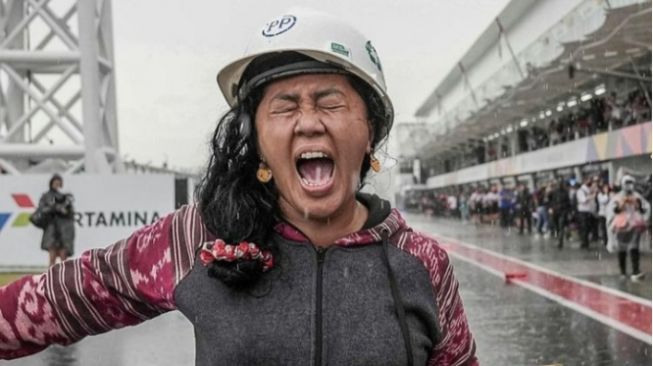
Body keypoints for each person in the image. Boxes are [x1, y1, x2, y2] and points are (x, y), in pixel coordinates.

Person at [0, 10, 478, 365]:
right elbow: (68, 296)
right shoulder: (203, 236)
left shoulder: (423, 263)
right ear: (256, 142)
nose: (308, 122)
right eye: (284, 107)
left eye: (330, 103)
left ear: (369, 130)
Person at [607, 175, 651, 281]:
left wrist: (637, 205)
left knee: (634, 246)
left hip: (635, 224)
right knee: (622, 248)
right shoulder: (617, 197)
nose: (629, 186)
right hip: (621, 225)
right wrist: (623, 203)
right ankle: (622, 271)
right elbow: (614, 210)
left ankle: (635, 271)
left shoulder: (637, 196)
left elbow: (644, 208)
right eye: (627, 183)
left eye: (631, 183)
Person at [37, 174, 75, 267]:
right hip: (52, 228)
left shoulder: (64, 197)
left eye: (59, 183)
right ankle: (51, 277)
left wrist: (66, 208)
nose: (57, 185)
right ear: (51, 183)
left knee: (63, 255)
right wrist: (54, 208)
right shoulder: (46, 196)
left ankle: (64, 277)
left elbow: (70, 213)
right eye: (55, 183)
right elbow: (42, 209)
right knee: (52, 255)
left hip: (63, 229)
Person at [548, 180, 572, 249]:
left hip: (562, 212)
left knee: (561, 226)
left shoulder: (565, 192)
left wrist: (569, 211)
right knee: (557, 226)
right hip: (555, 211)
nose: (559, 185)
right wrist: (550, 208)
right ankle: (560, 237)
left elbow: (568, 203)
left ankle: (560, 241)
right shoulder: (553, 192)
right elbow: (550, 201)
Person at [576, 178, 597, 249]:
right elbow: (583, 200)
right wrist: (591, 196)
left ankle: (586, 241)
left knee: (588, 228)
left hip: (590, 211)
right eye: (588, 181)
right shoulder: (580, 191)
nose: (590, 182)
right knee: (584, 228)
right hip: (583, 212)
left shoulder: (590, 190)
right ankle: (584, 243)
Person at [597, 183, 611, 247]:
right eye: (605, 188)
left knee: (609, 228)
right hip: (602, 214)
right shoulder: (600, 195)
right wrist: (606, 194)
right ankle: (605, 241)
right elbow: (603, 201)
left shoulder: (610, 194)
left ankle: (609, 240)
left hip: (609, 214)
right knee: (604, 228)